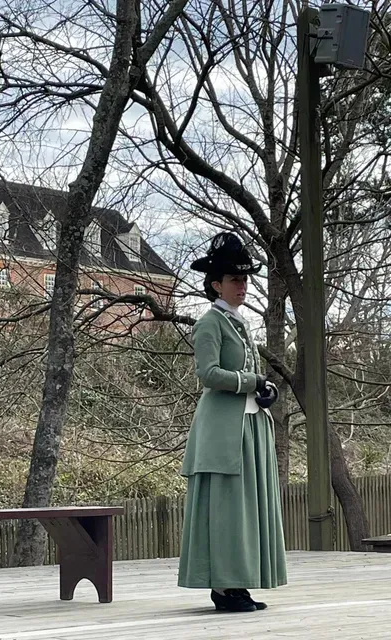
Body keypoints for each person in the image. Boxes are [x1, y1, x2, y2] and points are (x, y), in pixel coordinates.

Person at [178, 232, 287, 612]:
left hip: (249, 425)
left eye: (244, 280)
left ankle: (239, 583)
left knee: (246, 509)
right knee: (227, 510)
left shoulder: (240, 322)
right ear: (216, 285)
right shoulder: (210, 323)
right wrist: (251, 381)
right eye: (234, 280)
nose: (242, 286)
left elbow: (249, 374)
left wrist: (264, 389)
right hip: (223, 431)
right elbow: (207, 374)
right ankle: (223, 588)